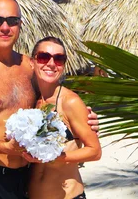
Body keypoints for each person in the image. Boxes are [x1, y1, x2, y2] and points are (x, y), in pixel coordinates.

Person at [0, 0, 99, 199]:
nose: (5, 27)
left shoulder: (28, 66)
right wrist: (6, 148)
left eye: (12, 21)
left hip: (24, 178)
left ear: (20, 25)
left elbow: (55, 102)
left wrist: (87, 120)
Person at [28, 37, 101, 199]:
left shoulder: (70, 102)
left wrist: (55, 157)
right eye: (43, 57)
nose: (51, 63)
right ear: (32, 62)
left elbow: (95, 151)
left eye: (59, 59)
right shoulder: (34, 101)